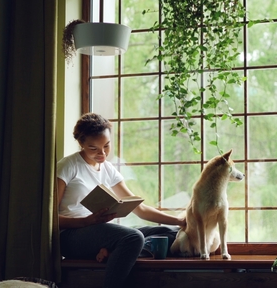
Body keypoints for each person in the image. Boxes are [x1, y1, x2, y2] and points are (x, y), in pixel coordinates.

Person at [57, 112, 185, 288]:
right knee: (133, 237)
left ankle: (110, 252)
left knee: (171, 233)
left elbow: (140, 209)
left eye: (107, 146)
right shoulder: (68, 166)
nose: (102, 153)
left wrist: (180, 221)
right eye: (93, 148)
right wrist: (86, 221)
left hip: (100, 232)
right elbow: (48, 219)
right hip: (71, 237)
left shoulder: (108, 169)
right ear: (81, 143)